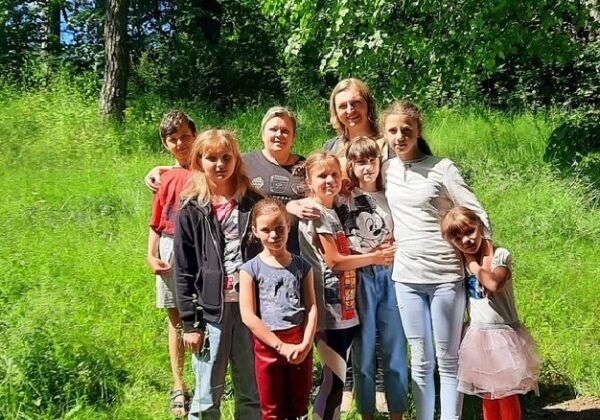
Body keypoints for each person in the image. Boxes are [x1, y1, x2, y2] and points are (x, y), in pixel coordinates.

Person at [381, 100, 492, 420]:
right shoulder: (386, 170)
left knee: (448, 359)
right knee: (420, 360)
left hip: (445, 276)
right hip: (406, 278)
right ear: (384, 133)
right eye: (392, 130)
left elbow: (479, 216)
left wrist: (483, 265)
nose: (399, 136)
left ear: (418, 130)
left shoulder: (442, 168)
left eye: (406, 130)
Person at [297, 152, 396, 420]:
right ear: (309, 182)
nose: (329, 180)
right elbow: (335, 261)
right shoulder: (317, 213)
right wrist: (376, 257)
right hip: (328, 308)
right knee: (333, 381)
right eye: (322, 176)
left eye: (334, 174)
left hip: (344, 305)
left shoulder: (333, 210)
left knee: (338, 380)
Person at [174, 129, 262, 420]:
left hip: (250, 310)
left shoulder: (253, 202)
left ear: (236, 159)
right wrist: (190, 324)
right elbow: (183, 270)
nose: (220, 164)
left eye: (226, 157)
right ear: (199, 161)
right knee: (206, 395)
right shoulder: (192, 208)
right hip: (211, 311)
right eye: (211, 158)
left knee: (251, 392)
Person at [145, 106, 319, 253]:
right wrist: (163, 170)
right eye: (273, 129)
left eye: (285, 131)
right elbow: (210, 170)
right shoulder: (245, 162)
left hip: (300, 250)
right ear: (262, 133)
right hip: (256, 253)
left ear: (293, 136)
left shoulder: (306, 167)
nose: (279, 134)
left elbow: (325, 193)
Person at [440, 206, 540, 420]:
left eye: (470, 232)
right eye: (458, 238)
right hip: (478, 337)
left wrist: (473, 265)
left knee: (505, 393)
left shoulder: (500, 256)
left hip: (504, 336)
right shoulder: (460, 263)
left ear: (480, 226)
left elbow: (493, 284)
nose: (466, 240)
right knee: (488, 394)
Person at [336, 137, 408, 420]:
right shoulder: (343, 195)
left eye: (372, 160)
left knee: (395, 347)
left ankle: (397, 412)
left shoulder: (391, 194)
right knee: (363, 349)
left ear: (380, 161)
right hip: (358, 277)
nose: (367, 167)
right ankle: (366, 412)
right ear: (351, 166)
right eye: (360, 162)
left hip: (391, 276)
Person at [239, 198, 318, 419]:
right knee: (271, 409)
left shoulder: (303, 266)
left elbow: (311, 307)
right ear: (255, 231)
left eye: (279, 228)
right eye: (266, 230)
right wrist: (279, 346)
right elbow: (248, 315)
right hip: (268, 348)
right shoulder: (249, 269)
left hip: (299, 345)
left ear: (288, 226)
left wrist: (305, 344)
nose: (274, 235)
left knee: (299, 407)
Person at [146, 111, 196, 417]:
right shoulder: (163, 179)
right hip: (169, 245)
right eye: (173, 139)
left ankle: (207, 377)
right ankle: (179, 383)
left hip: (202, 247)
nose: (180, 143)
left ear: (195, 136)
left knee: (204, 313)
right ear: (165, 144)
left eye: (185, 136)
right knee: (175, 316)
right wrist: (150, 254)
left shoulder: (208, 168)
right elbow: (156, 221)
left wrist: (161, 168)